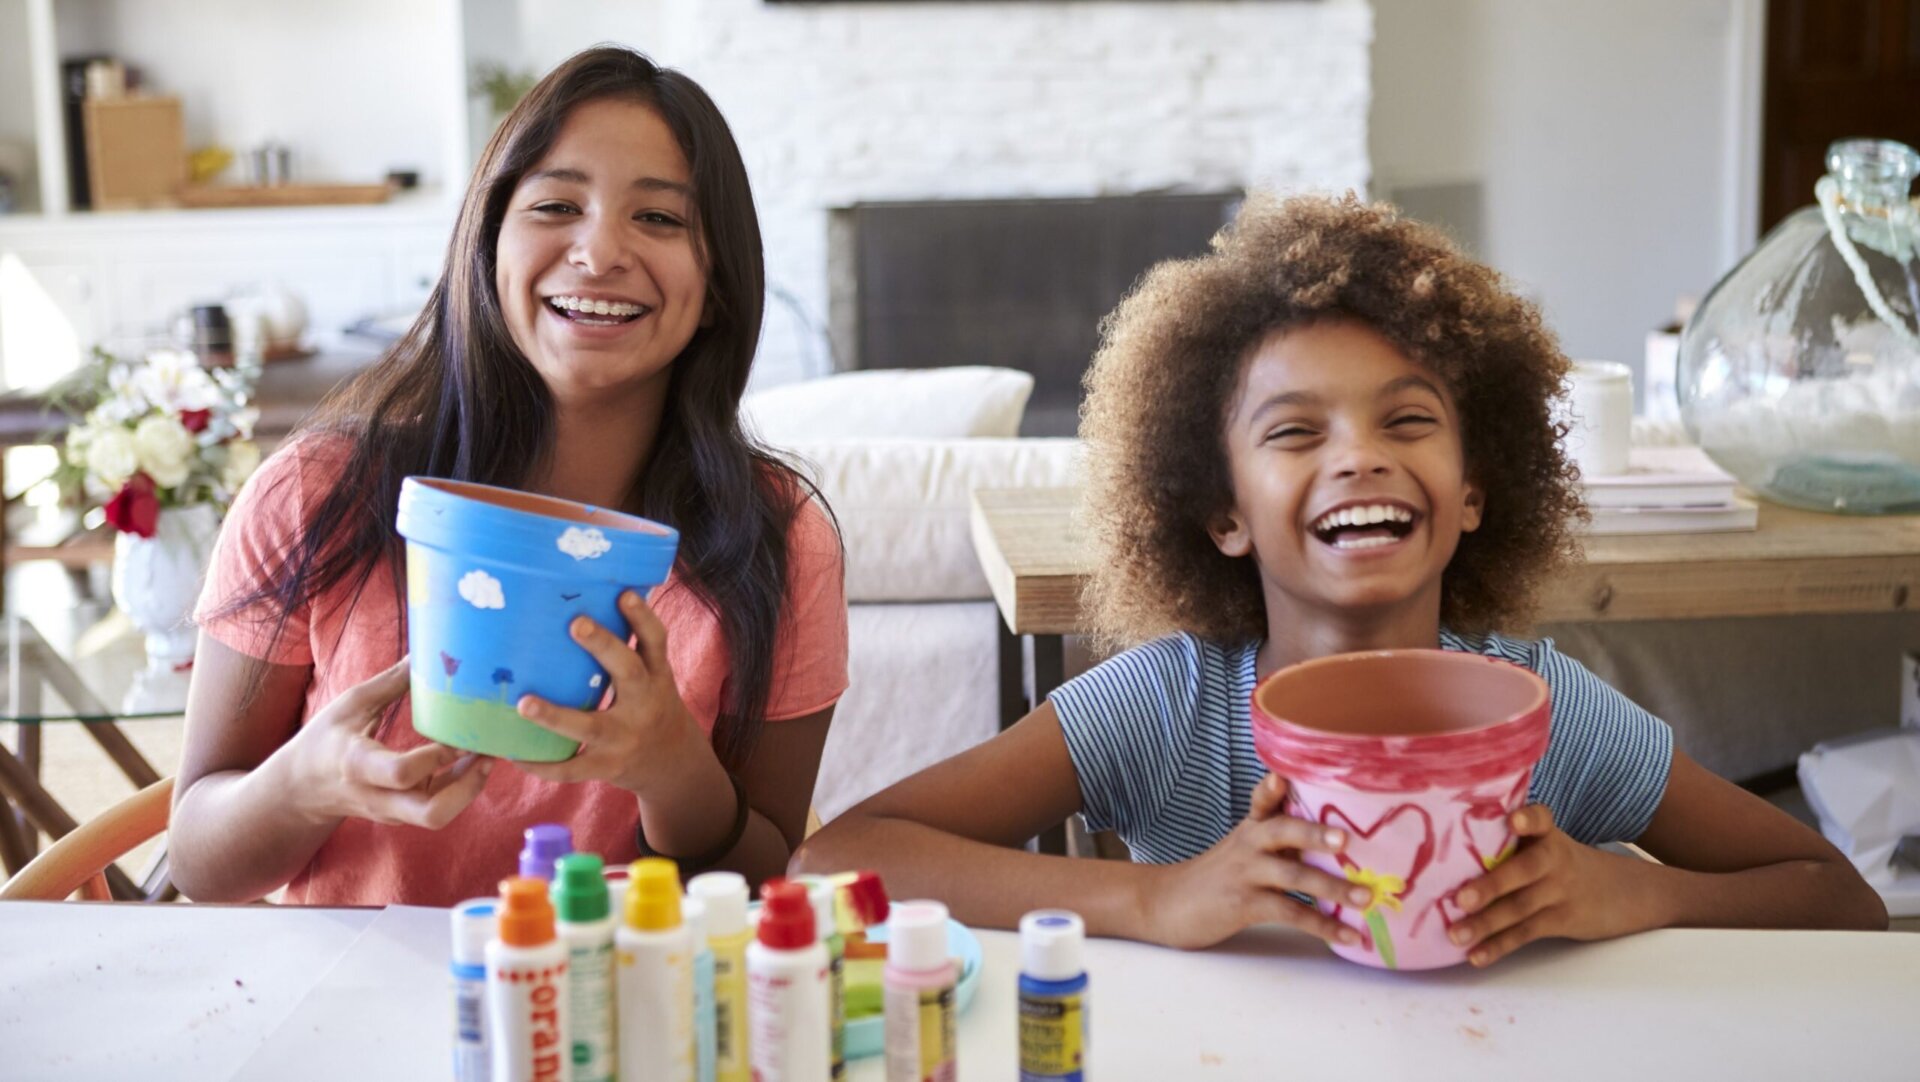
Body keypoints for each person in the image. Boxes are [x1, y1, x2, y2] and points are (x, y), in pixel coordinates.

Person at [795, 193, 1885, 962]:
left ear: (1473, 490)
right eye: (1295, 430)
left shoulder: (1545, 714)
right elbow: (836, 861)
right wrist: (1155, 895)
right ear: (1221, 512)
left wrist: (1637, 891)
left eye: (1408, 418)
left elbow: (1838, 900)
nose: (1358, 453)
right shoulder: (1166, 707)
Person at [171, 47, 847, 906]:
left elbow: (768, 884)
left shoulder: (780, 539)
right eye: (557, 205)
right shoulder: (315, 494)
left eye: (661, 220)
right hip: (348, 1018)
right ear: (487, 244)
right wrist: (308, 780)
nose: (599, 252)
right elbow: (197, 863)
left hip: (624, 1016)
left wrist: (676, 772)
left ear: (717, 282)